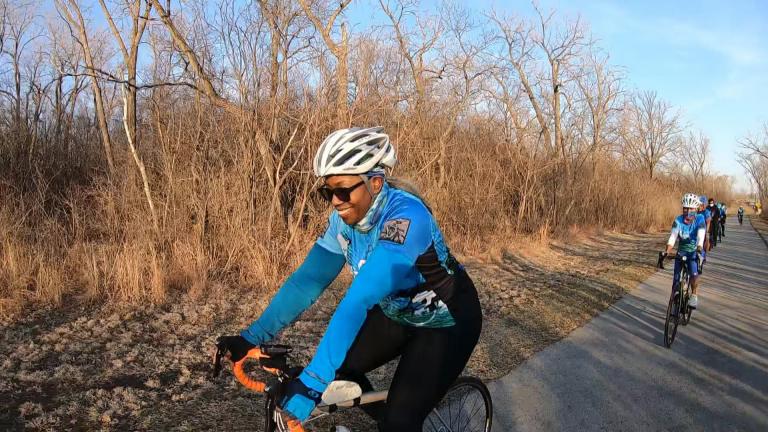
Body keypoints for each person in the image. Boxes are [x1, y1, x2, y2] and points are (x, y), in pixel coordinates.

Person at [217, 127, 483, 431]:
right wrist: (253, 336)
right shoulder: (342, 224)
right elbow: (307, 282)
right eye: (327, 192)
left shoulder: (407, 218)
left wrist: (313, 382)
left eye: (342, 190)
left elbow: (359, 299)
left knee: (399, 419)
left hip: (447, 321)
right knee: (340, 372)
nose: (335, 201)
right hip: (398, 313)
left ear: (375, 182)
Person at [663, 193, 706, 309]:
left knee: (693, 274)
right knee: (676, 280)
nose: (688, 211)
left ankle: (694, 295)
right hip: (681, 251)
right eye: (685, 208)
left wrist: (699, 248)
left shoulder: (700, 219)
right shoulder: (678, 220)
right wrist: (667, 251)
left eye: (691, 208)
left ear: (696, 209)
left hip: (694, 251)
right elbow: (673, 236)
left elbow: (701, 235)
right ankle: (672, 302)